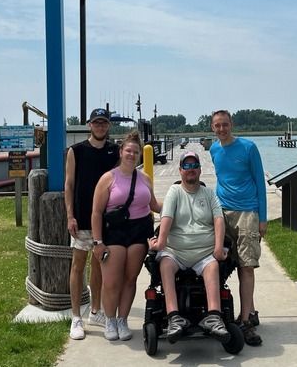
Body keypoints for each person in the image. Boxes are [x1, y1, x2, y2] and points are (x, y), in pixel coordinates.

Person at [148, 151, 230, 343]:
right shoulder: (174, 192)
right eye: (186, 166)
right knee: (165, 264)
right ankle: (173, 317)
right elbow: (166, 217)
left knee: (213, 266)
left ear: (200, 170)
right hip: (177, 251)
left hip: (204, 252)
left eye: (194, 166)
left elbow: (219, 220)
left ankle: (214, 316)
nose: (190, 169)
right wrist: (160, 242)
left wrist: (218, 247)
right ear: (180, 171)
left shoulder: (209, 194)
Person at [91, 130, 161, 341]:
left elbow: (154, 205)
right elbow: (96, 212)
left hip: (140, 231)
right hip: (114, 232)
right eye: (128, 150)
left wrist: (179, 204)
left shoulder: (145, 178)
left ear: (140, 155)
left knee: (131, 279)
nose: (132, 154)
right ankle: (110, 319)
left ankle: (123, 319)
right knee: (111, 281)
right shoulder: (108, 178)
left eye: (136, 151)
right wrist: (98, 242)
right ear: (121, 152)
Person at [210, 109, 266, 346]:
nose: (222, 129)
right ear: (212, 128)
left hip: (247, 212)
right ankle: (248, 311)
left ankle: (245, 322)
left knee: (246, 266)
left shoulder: (248, 148)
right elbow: (222, 179)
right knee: (223, 263)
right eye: (217, 125)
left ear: (231, 124)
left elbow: (260, 182)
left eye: (225, 124)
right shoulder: (214, 149)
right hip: (223, 212)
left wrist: (262, 218)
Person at [64, 108, 119, 340]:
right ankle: (76, 316)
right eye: (96, 123)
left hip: (106, 220)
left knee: (100, 265)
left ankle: (96, 311)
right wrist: (70, 215)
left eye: (104, 123)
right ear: (89, 125)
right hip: (82, 217)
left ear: (108, 126)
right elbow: (69, 184)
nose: (100, 127)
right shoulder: (76, 151)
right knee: (78, 265)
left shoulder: (115, 151)